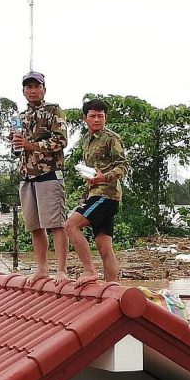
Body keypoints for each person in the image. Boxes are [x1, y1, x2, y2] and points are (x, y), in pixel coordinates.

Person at [11, 71, 69, 285]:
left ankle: (61, 270)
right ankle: (42, 268)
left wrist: (31, 145)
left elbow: (61, 141)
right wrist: (16, 143)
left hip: (49, 173)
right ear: (23, 91)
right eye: (28, 87)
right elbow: (17, 151)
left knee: (56, 224)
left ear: (44, 89)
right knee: (34, 226)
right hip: (26, 176)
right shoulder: (19, 117)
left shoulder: (53, 111)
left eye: (36, 86)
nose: (32, 90)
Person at [64, 99, 128, 287]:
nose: (97, 119)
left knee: (70, 226)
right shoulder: (86, 140)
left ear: (105, 117)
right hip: (94, 194)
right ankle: (112, 288)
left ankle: (90, 271)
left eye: (101, 116)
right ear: (85, 118)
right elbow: (90, 172)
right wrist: (86, 191)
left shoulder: (111, 138)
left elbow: (123, 165)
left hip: (106, 195)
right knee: (103, 246)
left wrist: (104, 177)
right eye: (93, 116)